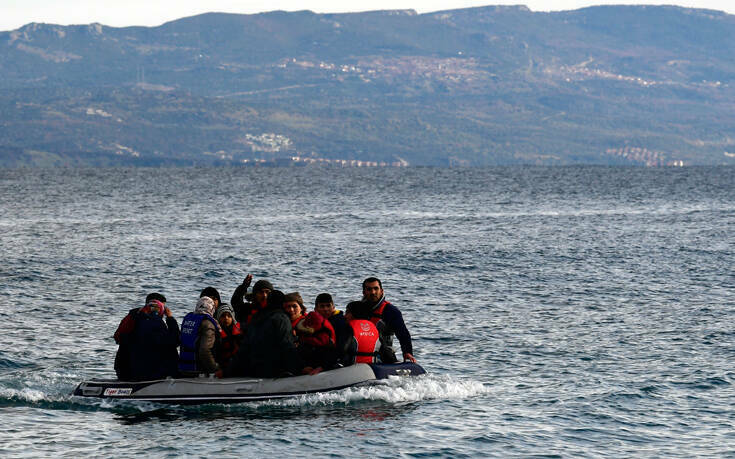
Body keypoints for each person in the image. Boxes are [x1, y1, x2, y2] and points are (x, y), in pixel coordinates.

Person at [226, 290, 317, 378]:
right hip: (273, 370)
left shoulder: (257, 318)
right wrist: (301, 367)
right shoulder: (281, 318)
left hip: (253, 369)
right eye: (287, 306)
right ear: (283, 304)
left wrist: (229, 370)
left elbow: (244, 348)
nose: (290, 310)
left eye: (294, 306)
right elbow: (287, 346)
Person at [113, 294, 180, 381]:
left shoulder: (133, 317)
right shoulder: (155, 323)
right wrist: (170, 319)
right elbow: (174, 341)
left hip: (126, 370)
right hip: (148, 373)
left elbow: (118, 338)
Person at [362, 277, 416, 363]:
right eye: (369, 289)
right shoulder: (357, 309)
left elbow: (403, 334)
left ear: (382, 291)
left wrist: (407, 352)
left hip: (384, 355)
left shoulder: (391, 311)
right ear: (364, 292)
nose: (373, 292)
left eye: (376, 289)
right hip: (360, 354)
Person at [179, 296, 221, 376]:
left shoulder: (188, 319)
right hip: (198, 369)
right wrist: (215, 368)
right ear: (212, 308)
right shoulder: (208, 323)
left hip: (183, 366)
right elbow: (204, 350)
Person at [314, 293, 351, 363]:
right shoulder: (312, 322)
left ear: (333, 307)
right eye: (322, 306)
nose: (325, 309)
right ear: (316, 309)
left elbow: (341, 348)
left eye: (328, 306)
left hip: (335, 360)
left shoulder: (340, 322)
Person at [343, 300, 382, 365]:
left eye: (347, 312)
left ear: (354, 313)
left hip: (351, 368)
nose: (345, 316)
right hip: (373, 367)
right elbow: (386, 352)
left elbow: (342, 350)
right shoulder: (374, 328)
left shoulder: (348, 328)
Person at [215, 303, 242, 370]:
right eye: (223, 316)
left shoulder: (239, 332)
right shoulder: (215, 332)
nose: (226, 318)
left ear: (232, 318)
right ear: (218, 317)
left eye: (229, 316)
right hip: (220, 365)